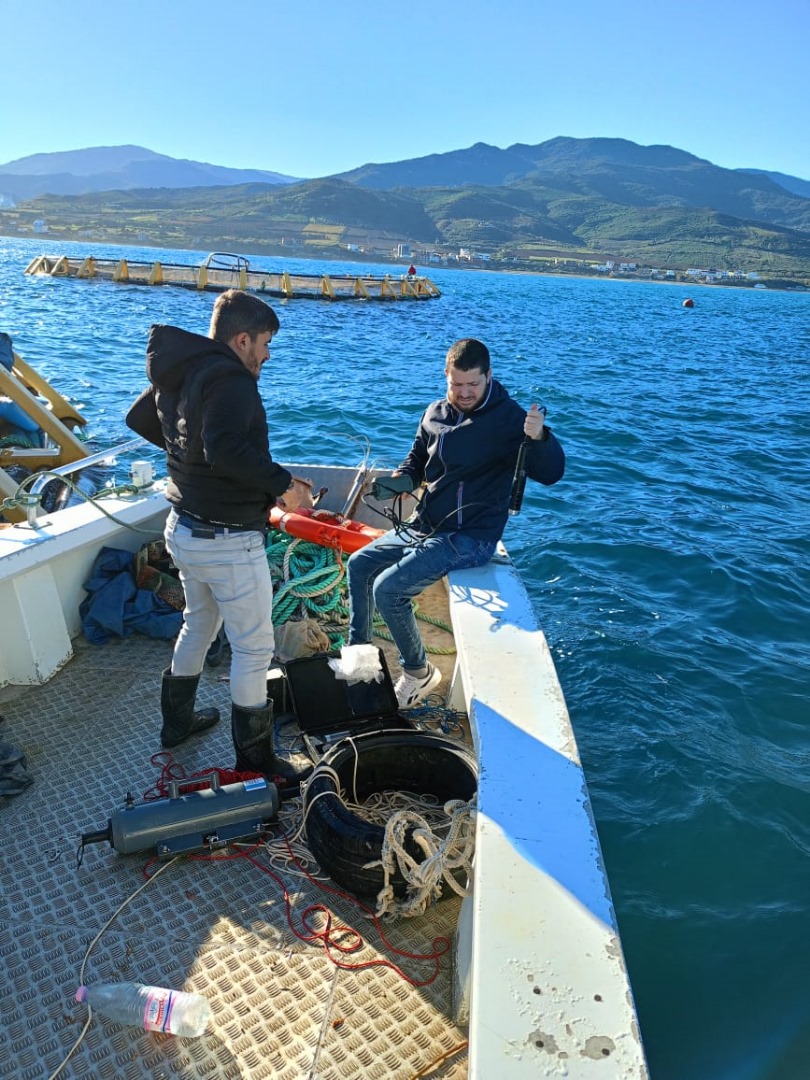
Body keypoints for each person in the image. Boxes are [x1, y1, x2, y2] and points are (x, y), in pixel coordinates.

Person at [125, 289, 307, 773]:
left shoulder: (181, 368)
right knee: (253, 647)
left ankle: (176, 725)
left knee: (198, 623)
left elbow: (141, 418)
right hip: (227, 540)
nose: (267, 355)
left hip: (182, 528)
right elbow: (224, 448)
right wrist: (283, 485)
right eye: (265, 343)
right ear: (242, 338)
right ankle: (257, 763)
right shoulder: (232, 380)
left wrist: (187, 464)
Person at [347, 337, 565, 708]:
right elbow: (415, 463)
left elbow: (551, 473)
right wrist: (397, 483)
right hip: (426, 524)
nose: (464, 393)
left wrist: (540, 437)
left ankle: (418, 673)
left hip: (470, 535)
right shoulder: (434, 413)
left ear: (488, 376)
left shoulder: (509, 419)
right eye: (456, 384)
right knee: (359, 564)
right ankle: (359, 657)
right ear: (446, 376)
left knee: (389, 590)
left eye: (472, 385)